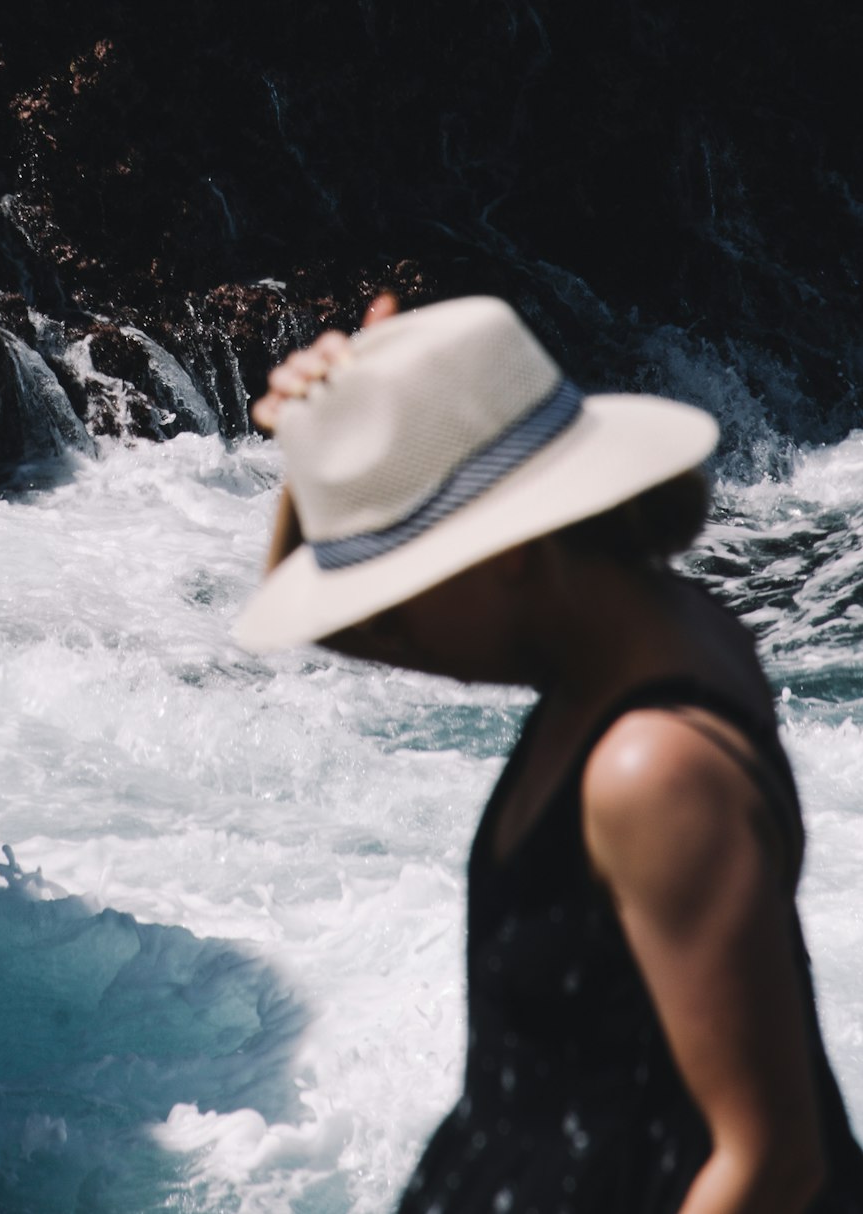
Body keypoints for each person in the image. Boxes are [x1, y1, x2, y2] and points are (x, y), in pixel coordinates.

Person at [237, 294, 863, 1214]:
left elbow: (770, 1165)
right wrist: (324, 453)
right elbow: (350, 628)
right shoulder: (654, 638)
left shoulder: (654, 771)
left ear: (509, 553)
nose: (387, 621)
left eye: (404, 580)